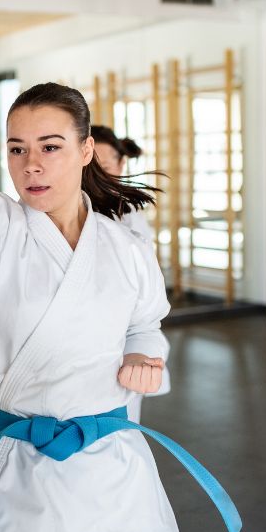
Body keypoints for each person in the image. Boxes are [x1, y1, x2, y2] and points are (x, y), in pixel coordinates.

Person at [0, 45, 241, 532]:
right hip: (21, 468)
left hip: (111, 465)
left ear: (86, 149)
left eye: (50, 147)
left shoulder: (123, 247)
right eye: (16, 149)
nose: (31, 166)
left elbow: (146, 324)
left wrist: (144, 355)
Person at [91, 124, 169, 423]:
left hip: (122, 332)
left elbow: (141, 291)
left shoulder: (127, 213)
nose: (95, 175)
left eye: (105, 166)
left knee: (121, 418)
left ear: (121, 165)